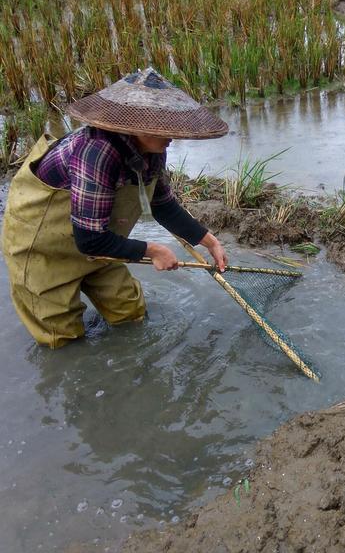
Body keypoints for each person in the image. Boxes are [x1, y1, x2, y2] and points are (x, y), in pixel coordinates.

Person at [2, 67, 229, 349]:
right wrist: (154, 250)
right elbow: (89, 240)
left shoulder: (152, 150)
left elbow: (163, 205)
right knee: (63, 340)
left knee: (130, 313)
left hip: (99, 240)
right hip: (44, 247)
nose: (173, 136)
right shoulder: (97, 152)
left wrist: (209, 241)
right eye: (165, 127)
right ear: (138, 125)